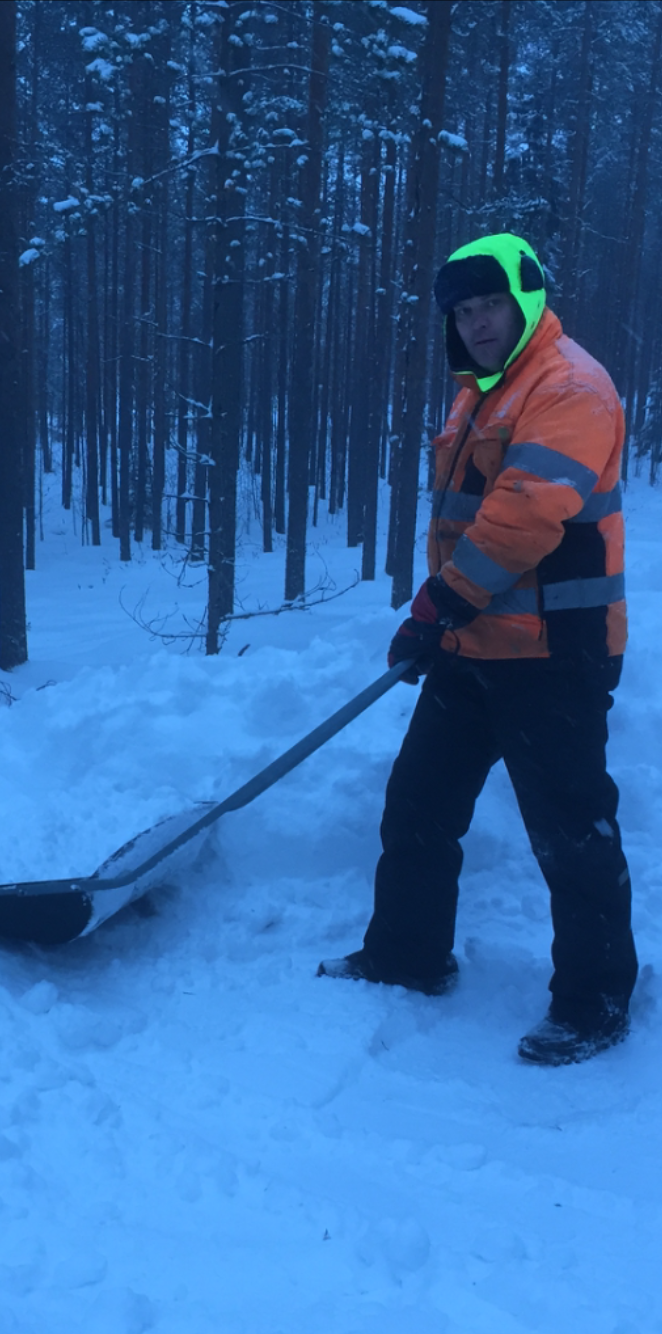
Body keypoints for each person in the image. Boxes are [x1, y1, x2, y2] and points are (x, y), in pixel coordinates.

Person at [318, 232, 637, 1067]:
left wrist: (440, 603)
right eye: (462, 312)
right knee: (419, 805)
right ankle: (408, 956)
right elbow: (464, 523)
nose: (477, 323)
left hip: (554, 654)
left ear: (526, 301)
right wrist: (441, 617)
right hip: (475, 642)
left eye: (491, 304)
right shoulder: (479, 397)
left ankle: (596, 1001)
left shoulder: (570, 386)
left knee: (570, 831)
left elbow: (525, 515)